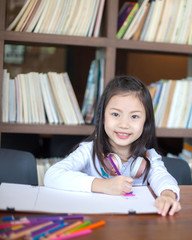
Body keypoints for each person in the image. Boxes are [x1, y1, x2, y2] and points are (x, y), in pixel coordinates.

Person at [44, 75, 181, 216]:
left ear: (145, 122)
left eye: (134, 116)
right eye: (115, 114)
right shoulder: (88, 151)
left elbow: (163, 177)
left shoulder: (149, 157)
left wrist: (168, 196)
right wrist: (103, 185)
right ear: (103, 117)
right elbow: (52, 175)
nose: (124, 125)